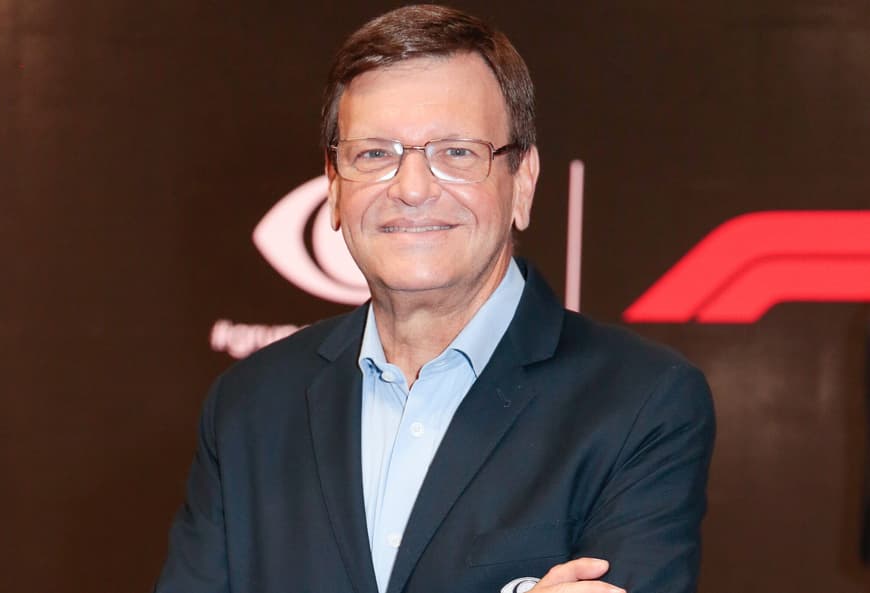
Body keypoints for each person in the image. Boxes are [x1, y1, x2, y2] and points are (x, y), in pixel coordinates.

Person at [154, 5, 715, 593]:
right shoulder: (250, 407)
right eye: (375, 154)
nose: (412, 188)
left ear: (522, 183)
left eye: (456, 152)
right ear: (335, 188)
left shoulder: (642, 403)